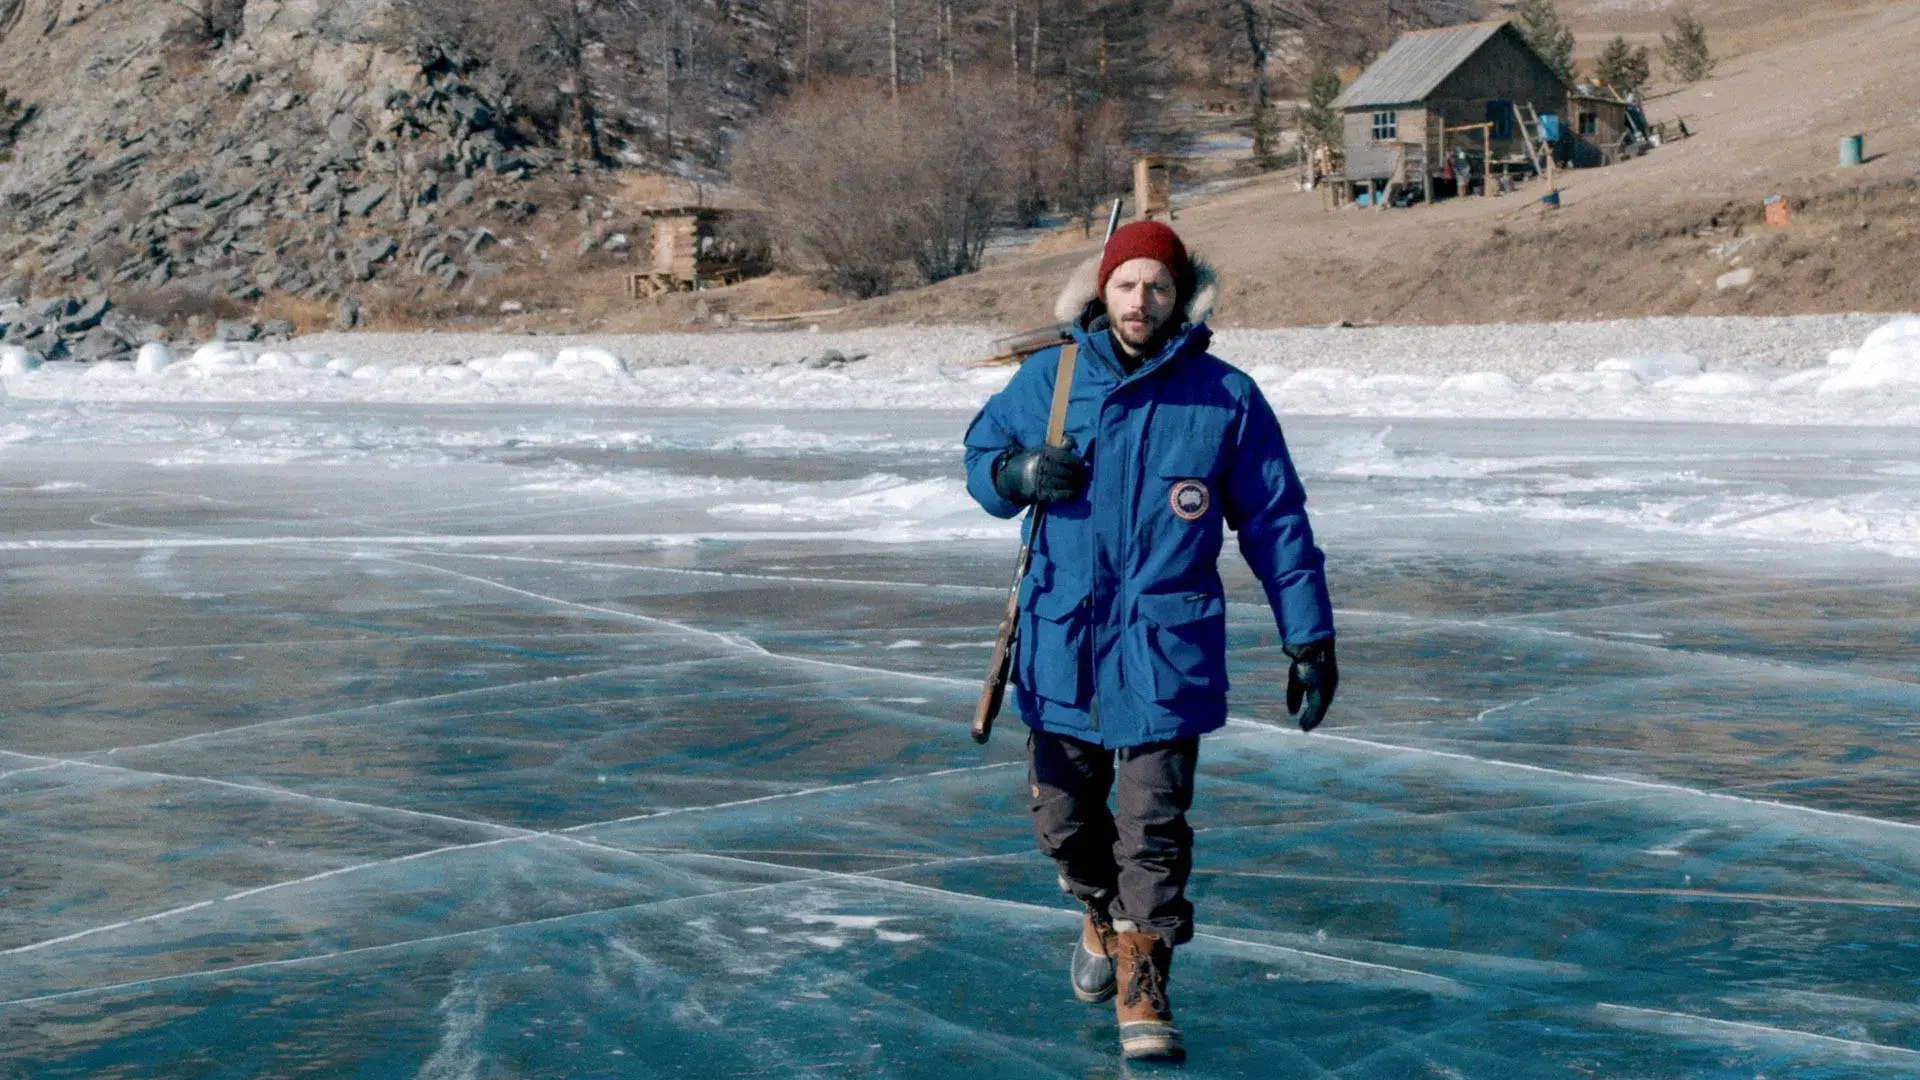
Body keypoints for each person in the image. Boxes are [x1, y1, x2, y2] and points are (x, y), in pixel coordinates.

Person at [962, 221, 1337, 1062]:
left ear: (1181, 298)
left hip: (1166, 655)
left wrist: (1309, 637)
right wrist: (1015, 475)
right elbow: (980, 455)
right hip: (1064, 648)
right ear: (1104, 291)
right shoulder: (1050, 379)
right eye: (1127, 285)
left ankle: (1144, 970)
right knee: (1063, 824)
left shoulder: (1224, 397)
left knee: (1153, 828)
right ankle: (1102, 916)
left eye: (1158, 287)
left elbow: (1276, 522)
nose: (1141, 301)